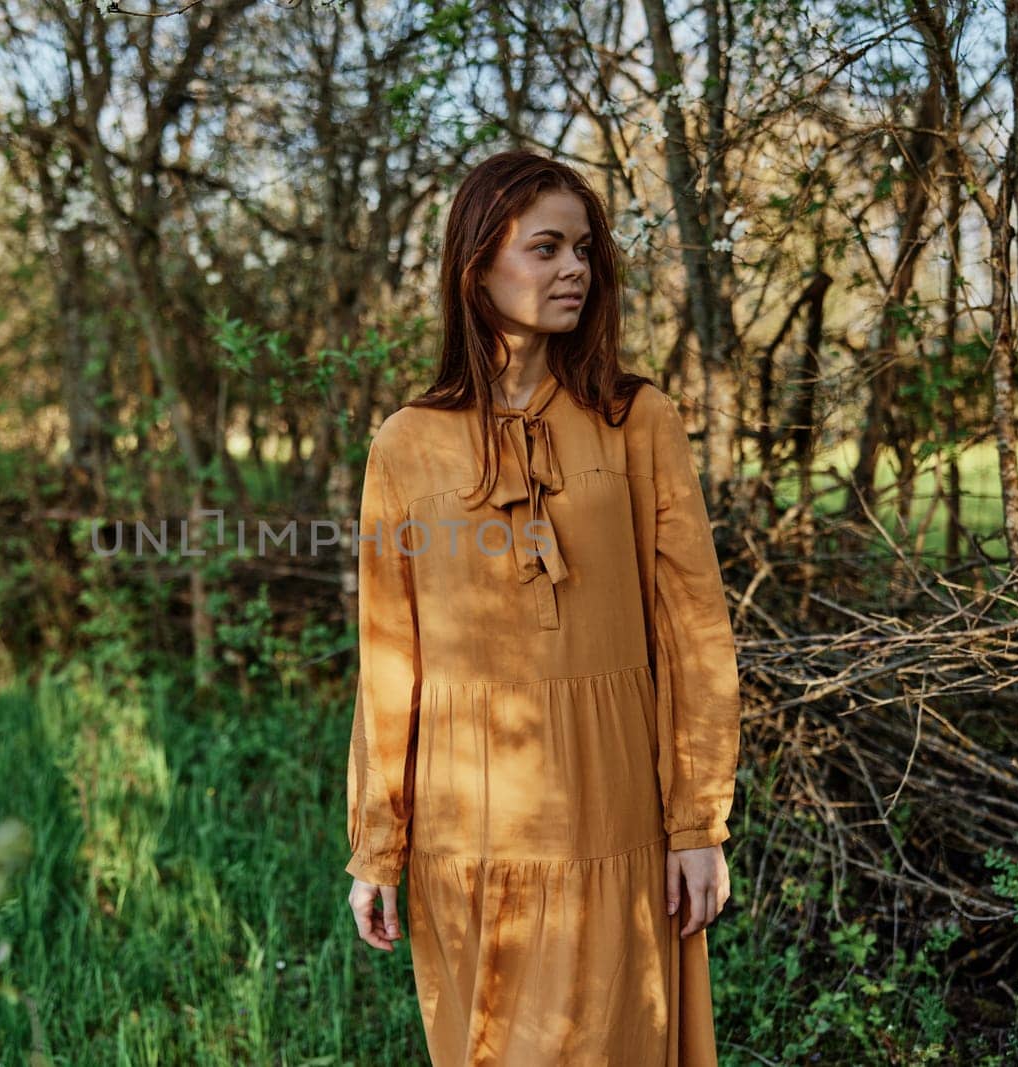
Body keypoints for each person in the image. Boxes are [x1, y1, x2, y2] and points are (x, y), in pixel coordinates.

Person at [342, 148, 742, 1065]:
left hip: (616, 813)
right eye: (547, 247)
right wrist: (376, 845)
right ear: (477, 264)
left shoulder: (639, 421)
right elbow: (388, 658)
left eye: (586, 250)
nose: (576, 269)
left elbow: (693, 634)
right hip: (465, 830)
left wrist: (697, 823)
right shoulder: (407, 445)